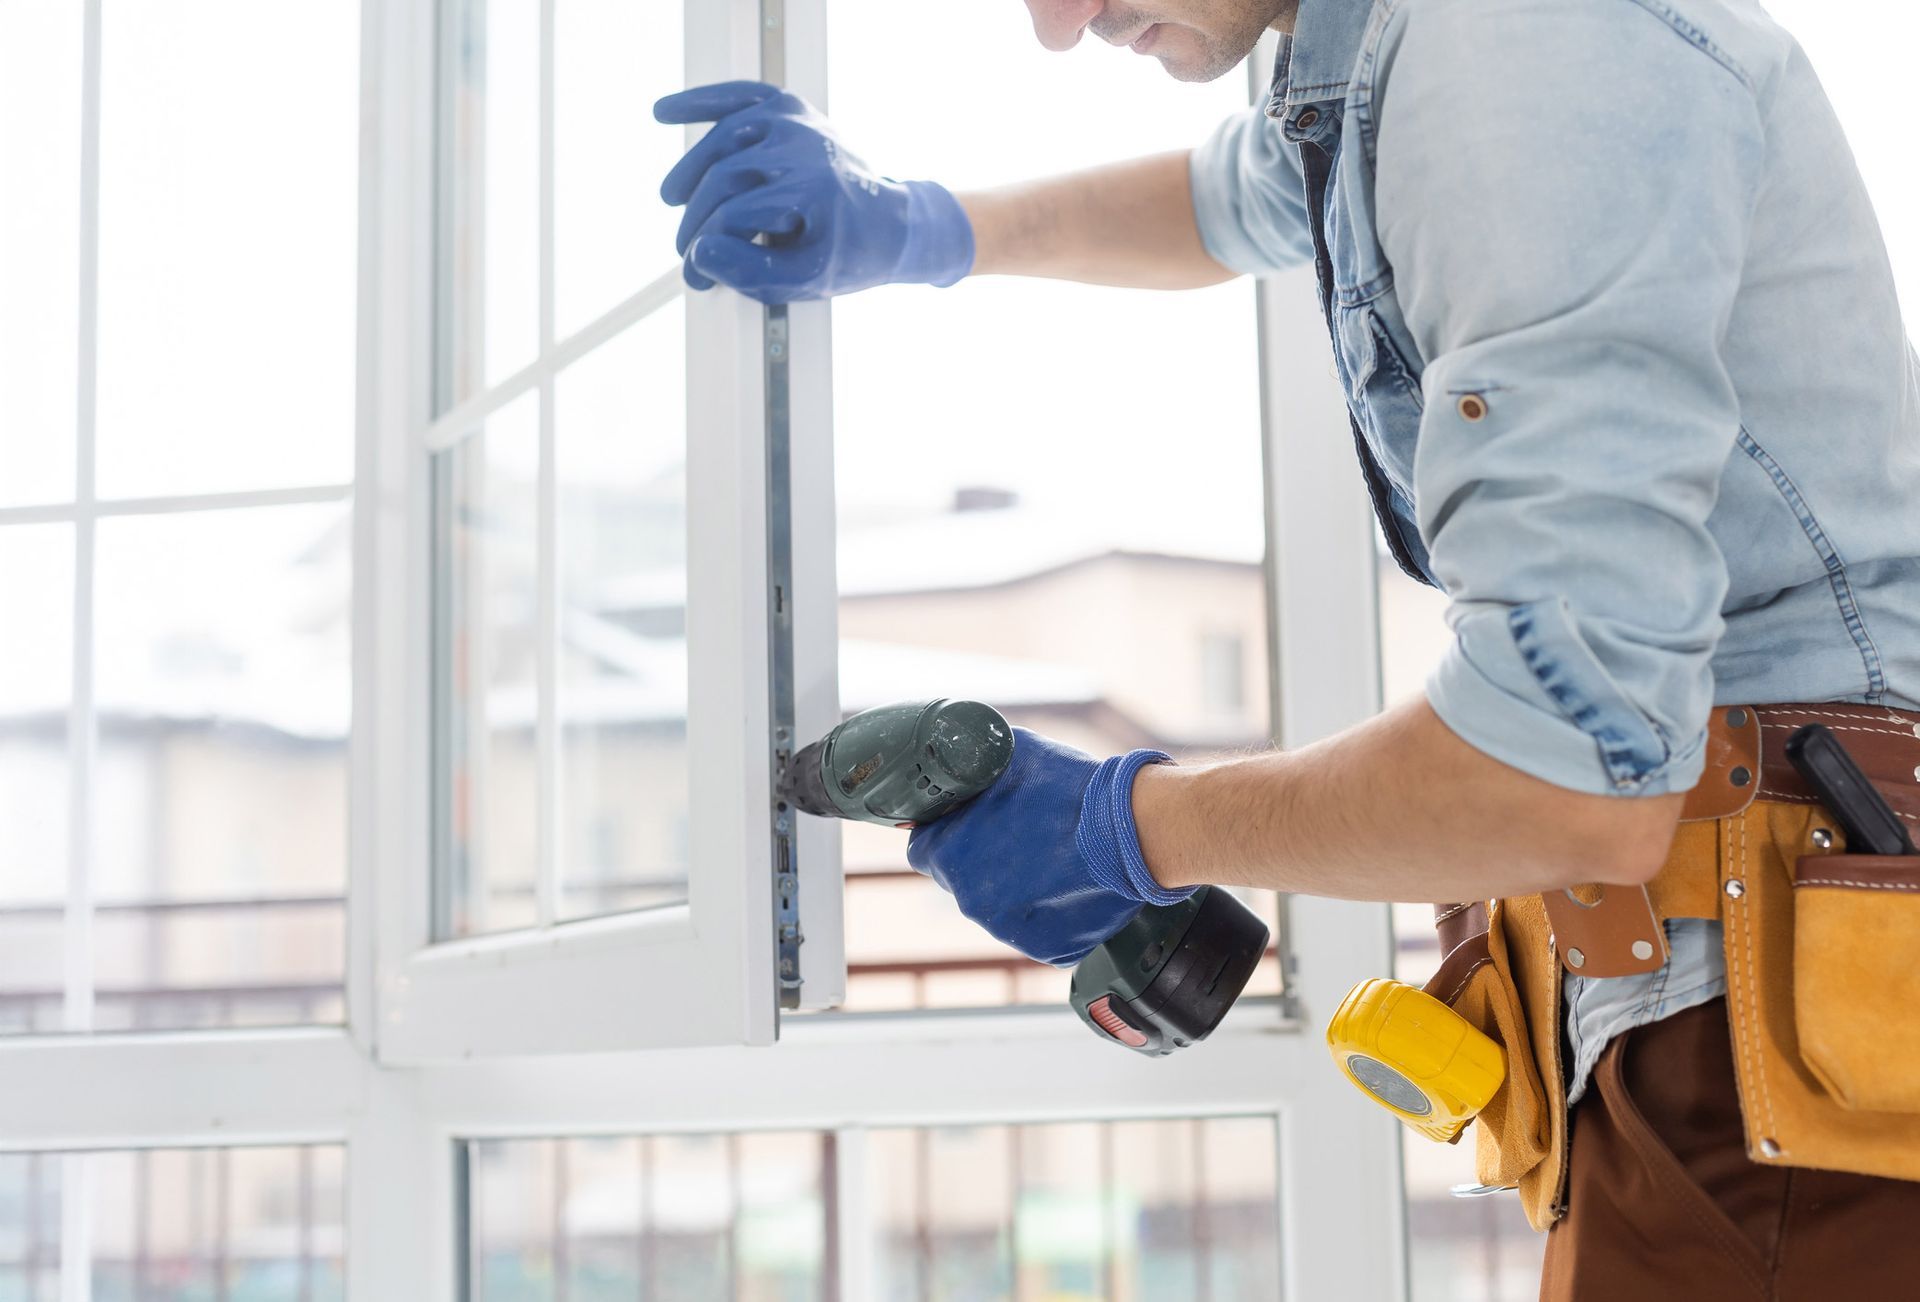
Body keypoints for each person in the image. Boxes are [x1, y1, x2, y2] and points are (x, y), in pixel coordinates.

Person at [656, 1, 1920, 1295]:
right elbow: (1230, 196)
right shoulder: (1386, 61)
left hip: (1779, 1059)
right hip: (1722, 1051)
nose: (1056, 24)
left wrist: (1127, 822)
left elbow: (1573, 778)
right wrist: (915, 227)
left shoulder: (1525, 41)